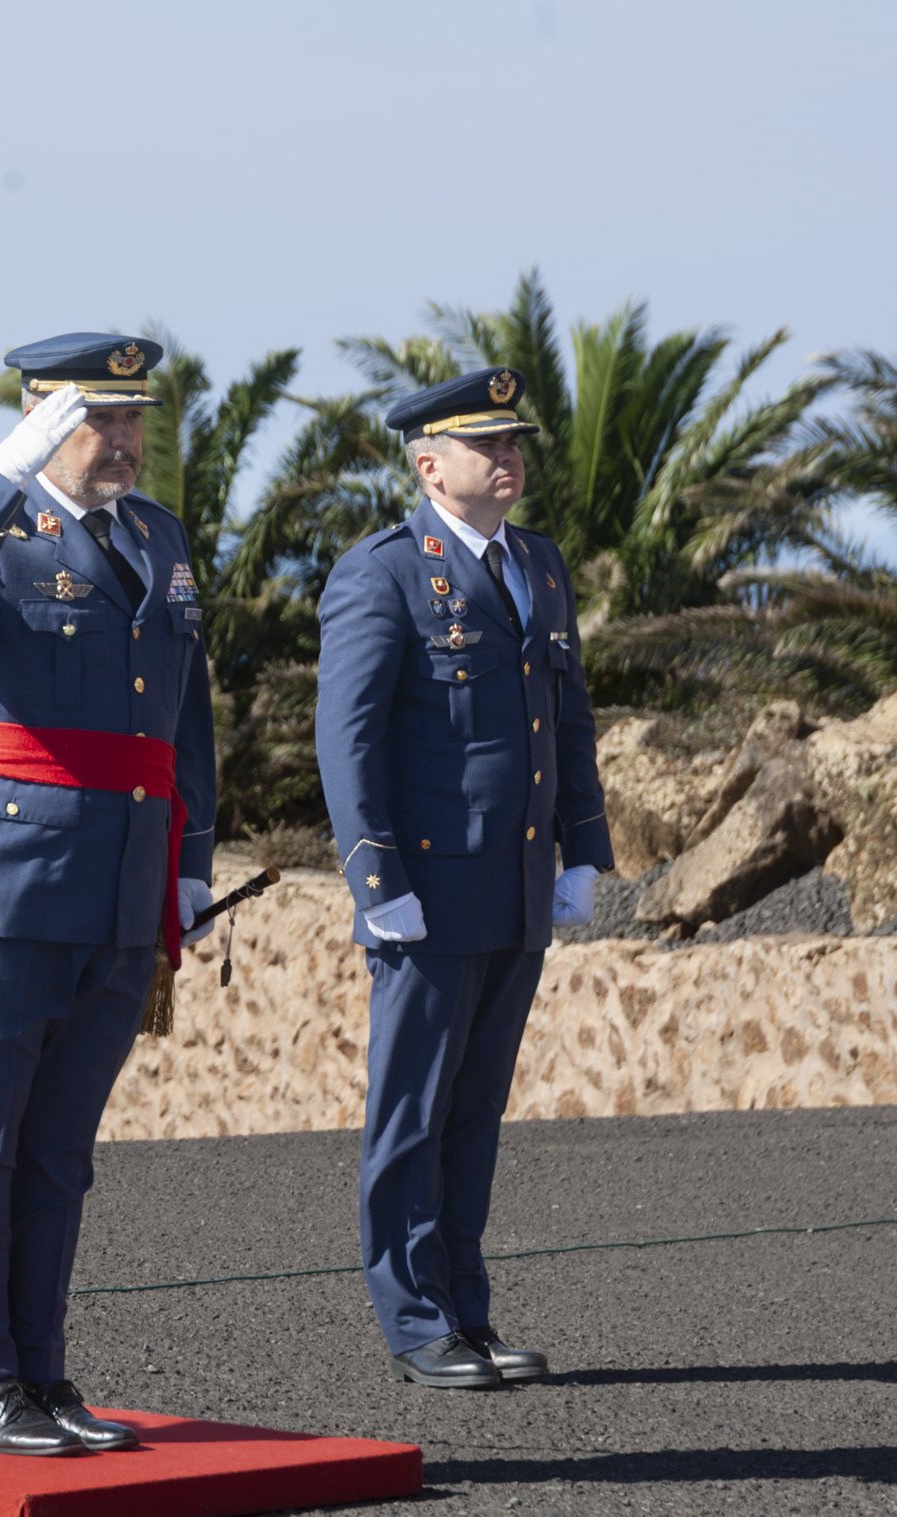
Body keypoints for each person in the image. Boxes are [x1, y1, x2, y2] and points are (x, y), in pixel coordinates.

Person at [0, 333, 218, 1454]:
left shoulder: (156, 536)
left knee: (59, 1144)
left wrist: (189, 860)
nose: (122, 440)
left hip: (118, 883)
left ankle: (42, 1367)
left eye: (133, 420)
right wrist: (1, 474)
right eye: (97, 419)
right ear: (39, 419)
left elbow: (186, 713)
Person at [313, 367, 613, 1390]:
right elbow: (347, 742)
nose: (509, 459)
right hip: (427, 891)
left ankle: (466, 1310)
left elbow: (565, 715)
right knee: (412, 1115)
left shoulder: (537, 562)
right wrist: (373, 877)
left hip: (516, 885)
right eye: (487, 446)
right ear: (428, 464)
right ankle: (412, 1320)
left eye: (514, 443)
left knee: (474, 1113)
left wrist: (581, 847)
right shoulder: (384, 573)